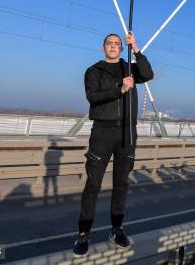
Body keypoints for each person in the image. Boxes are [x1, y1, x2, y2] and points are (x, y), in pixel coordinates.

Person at [73, 31, 154, 257]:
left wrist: (136, 48)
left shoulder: (129, 69)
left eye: (118, 44)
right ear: (103, 48)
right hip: (102, 132)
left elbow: (148, 74)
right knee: (93, 184)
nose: (113, 46)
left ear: (121, 47)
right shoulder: (93, 71)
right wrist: (120, 88)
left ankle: (117, 229)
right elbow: (94, 97)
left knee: (121, 184)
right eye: (109, 43)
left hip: (128, 132)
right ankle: (83, 234)